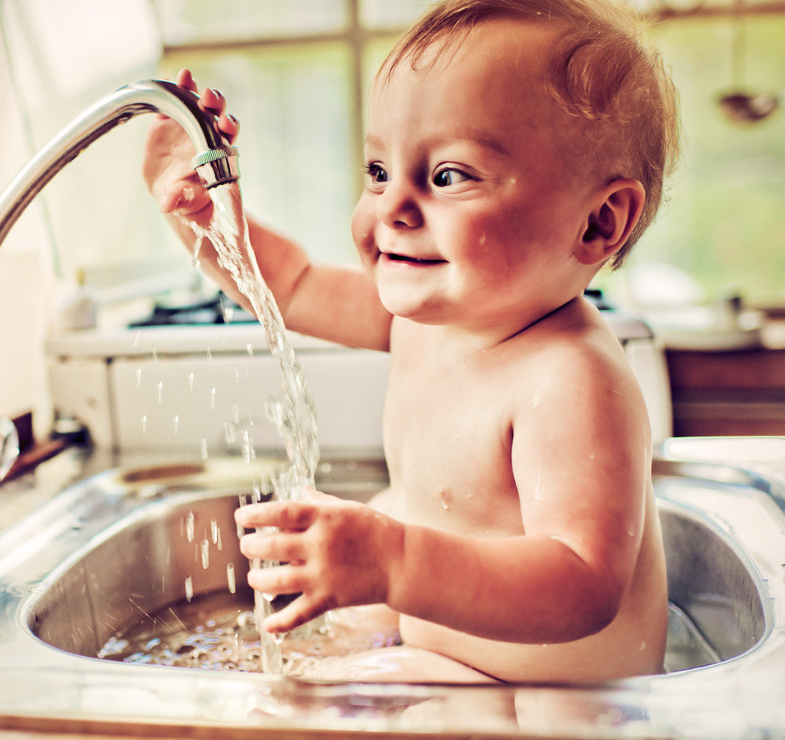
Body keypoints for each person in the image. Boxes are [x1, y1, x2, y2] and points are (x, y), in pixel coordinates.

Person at [142, 0, 680, 684]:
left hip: (548, 697)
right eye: (378, 171)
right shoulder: (431, 317)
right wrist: (202, 212)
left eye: (449, 176)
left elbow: (582, 586)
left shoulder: (568, 378)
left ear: (599, 223)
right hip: (442, 644)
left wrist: (395, 562)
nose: (392, 207)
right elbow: (291, 283)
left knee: (293, 708)